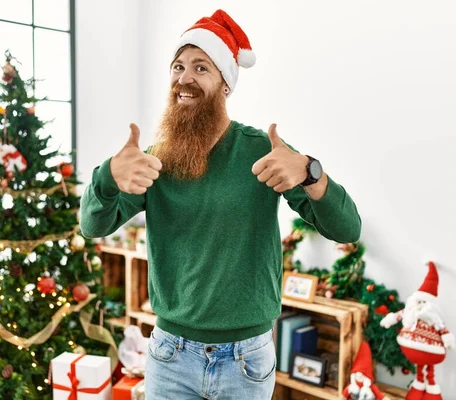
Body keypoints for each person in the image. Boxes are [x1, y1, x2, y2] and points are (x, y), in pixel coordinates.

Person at [80, 9, 361, 399]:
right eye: (178, 66)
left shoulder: (263, 152)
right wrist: (107, 176)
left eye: (201, 67)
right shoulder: (155, 159)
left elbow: (347, 229)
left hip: (245, 360)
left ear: (225, 83)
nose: (185, 78)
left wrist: (311, 172)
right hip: (170, 355)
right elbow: (93, 225)